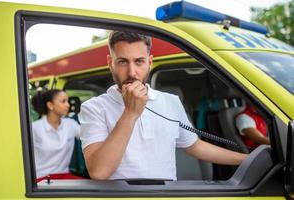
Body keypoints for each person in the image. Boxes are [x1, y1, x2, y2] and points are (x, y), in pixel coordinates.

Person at [79, 31, 247, 180]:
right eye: (123, 62)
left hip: (166, 195)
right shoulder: (93, 108)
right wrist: (130, 113)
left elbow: (195, 146)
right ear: (110, 63)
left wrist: (246, 160)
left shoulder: (171, 101)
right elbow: (99, 172)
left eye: (139, 62)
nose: (132, 72)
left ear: (149, 62)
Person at [31, 89, 81, 182]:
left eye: (68, 101)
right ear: (50, 105)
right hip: (41, 179)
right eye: (63, 101)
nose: (68, 105)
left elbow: (88, 136)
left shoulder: (71, 124)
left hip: (64, 176)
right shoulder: (35, 128)